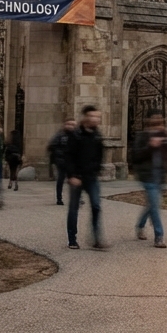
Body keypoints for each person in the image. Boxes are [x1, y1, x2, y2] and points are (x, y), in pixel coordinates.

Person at [65, 105, 107, 250]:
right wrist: (72, 175)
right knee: (74, 208)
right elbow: (68, 157)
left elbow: (99, 156)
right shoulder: (75, 135)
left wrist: (96, 170)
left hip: (91, 177)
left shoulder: (97, 135)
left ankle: (96, 238)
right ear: (85, 117)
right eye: (93, 116)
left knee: (96, 205)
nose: (96, 119)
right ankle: (72, 239)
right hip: (77, 177)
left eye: (98, 117)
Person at [132, 111, 167, 248]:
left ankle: (140, 226)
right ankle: (159, 236)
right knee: (155, 206)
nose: (157, 123)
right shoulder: (142, 136)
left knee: (152, 205)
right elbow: (136, 156)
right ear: (148, 121)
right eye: (154, 120)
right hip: (147, 176)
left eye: (160, 120)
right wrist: (151, 146)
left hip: (160, 176)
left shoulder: (164, 135)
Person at [48, 119, 76, 205]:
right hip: (62, 161)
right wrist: (60, 155)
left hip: (72, 162)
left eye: (73, 125)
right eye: (69, 124)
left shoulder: (76, 136)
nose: (71, 126)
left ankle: (76, 197)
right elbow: (52, 146)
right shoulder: (60, 135)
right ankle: (59, 198)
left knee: (74, 179)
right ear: (65, 125)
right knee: (61, 179)